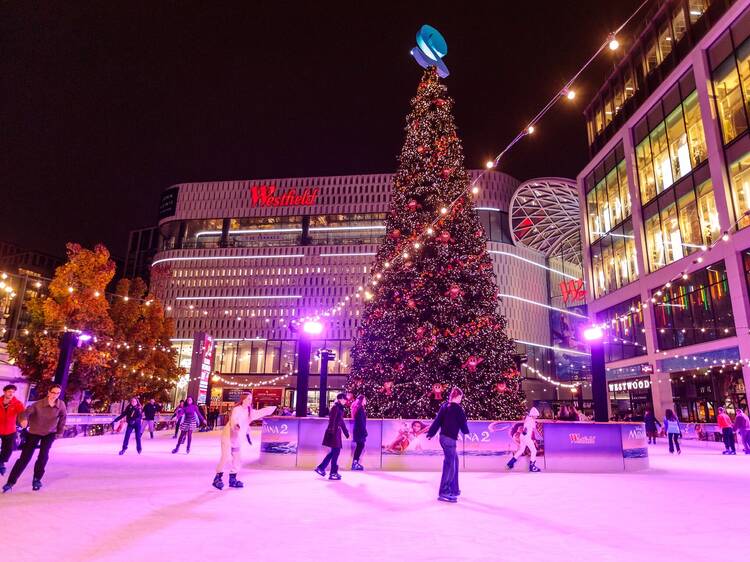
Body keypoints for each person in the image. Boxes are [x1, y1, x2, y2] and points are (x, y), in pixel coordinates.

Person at [3, 384, 67, 492]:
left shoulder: (61, 405)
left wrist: (59, 432)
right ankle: (10, 482)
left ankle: (37, 479)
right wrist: (23, 420)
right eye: (53, 392)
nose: (55, 395)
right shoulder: (37, 405)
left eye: (57, 393)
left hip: (49, 433)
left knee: (43, 456)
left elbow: (63, 418)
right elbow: (24, 414)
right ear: (48, 392)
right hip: (34, 432)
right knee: (25, 458)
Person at [426, 387, 470, 503]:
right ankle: (444, 491)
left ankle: (454, 488)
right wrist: (466, 432)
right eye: (461, 397)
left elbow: (437, 421)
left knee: (454, 460)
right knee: (450, 464)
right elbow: (463, 424)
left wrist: (431, 433)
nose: (461, 399)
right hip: (449, 440)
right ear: (458, 397)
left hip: (443, 438)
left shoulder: (445, 406)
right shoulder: (458, 409)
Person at [212, 391, 253, 490]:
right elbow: (233, 420)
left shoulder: (248, 411)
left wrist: (248, 435)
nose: (250, 401)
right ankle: (217, 478)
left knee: (237, 459)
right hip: (228, 435)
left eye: (251, 399)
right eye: (248, 399)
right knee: (225, 456)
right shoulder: (236, 409)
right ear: (243, 399)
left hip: (237, 438)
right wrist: (236, 425)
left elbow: (246, 424)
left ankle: (232, 479)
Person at [314, 393, 349, 480]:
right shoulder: (335, 407)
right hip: (334, 433)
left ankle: (323, 468)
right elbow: (332, 421)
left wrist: (346, 433)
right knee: (335, 452)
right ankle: (331, 472)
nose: (345, 401)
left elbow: (341, 422)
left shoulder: (339, 408)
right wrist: (331, 433)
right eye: (344, 399)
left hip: (337, 432)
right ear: (340, 399)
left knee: (335, 452)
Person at [0, 384, 26, 476]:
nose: (11, 394)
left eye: (13, 392)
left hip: (10, 430)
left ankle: (1, 462)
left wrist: (23, 420)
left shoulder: (17, 403)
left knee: (8, 449)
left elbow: (22, 413)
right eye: (9, 391)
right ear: (4, 392)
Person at [507, 406, 542, 472]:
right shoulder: (532, 421)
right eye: (536, 416)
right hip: (526, 437)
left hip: (522, 436)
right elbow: (535, 429)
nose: (536, 417)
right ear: (533, 415)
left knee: (521, 450)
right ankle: (532, 466)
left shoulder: (527, 418)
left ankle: (510, 463)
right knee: (534, 451)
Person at [350, 394, 367, 470]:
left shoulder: (358, 408)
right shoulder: (360, 409)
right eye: (365, 399)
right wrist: (364, 431)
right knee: (360, 446)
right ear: (362, 400)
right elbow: (361, 422)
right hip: (359, 430)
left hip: (358, 429)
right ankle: (355, 463)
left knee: (360, 446)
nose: (366, 401)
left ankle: (355, 462)